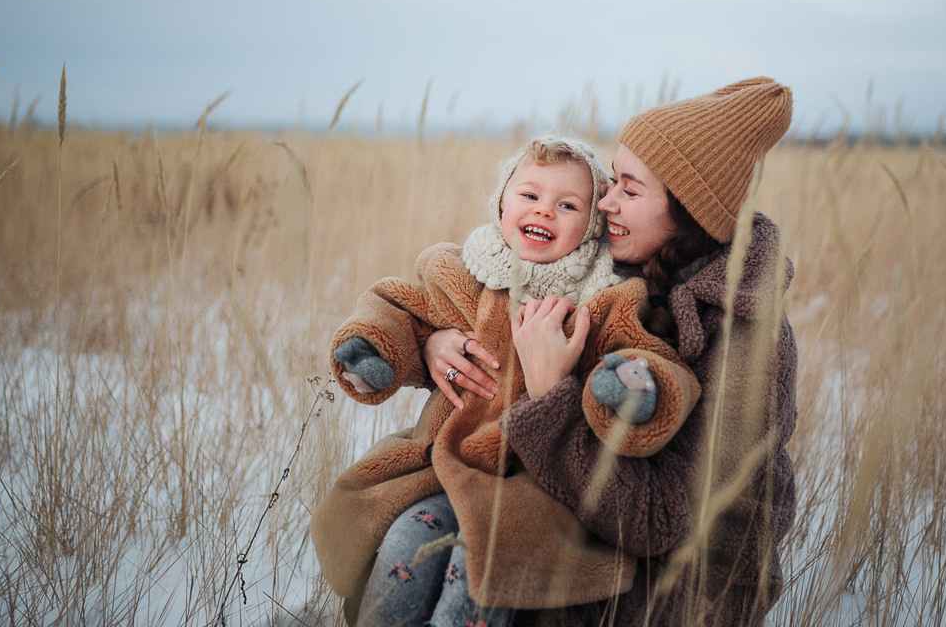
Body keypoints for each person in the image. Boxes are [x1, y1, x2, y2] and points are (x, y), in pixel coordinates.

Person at [425, 77, 798, 626]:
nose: (605, 201)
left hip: (674, 594)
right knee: (417, 536)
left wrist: (551, 391)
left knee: (489, 567)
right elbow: (494, 286)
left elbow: (655, 519)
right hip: (589, 530)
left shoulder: (747, 346)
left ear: (688, 210)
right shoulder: (624, 267)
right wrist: (436, 339)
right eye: (610, 182)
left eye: (629, 187)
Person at [310, 135, 704, 626]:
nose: (544, 212)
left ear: (592, 226)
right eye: (529, 195)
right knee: (405, 542)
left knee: (479, 574)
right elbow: (399, 308)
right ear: (501, 204)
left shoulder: (605, 298)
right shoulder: (462, 272)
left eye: (567, 204)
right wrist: (382, 348)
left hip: (531, 491)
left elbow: (653, 360)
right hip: (447, 467)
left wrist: (632, 385)